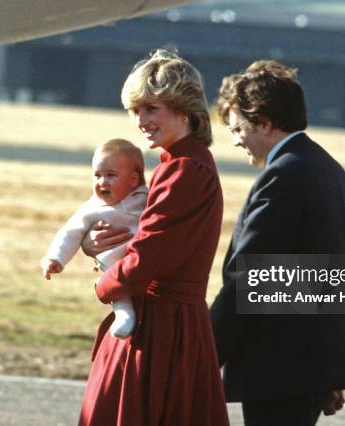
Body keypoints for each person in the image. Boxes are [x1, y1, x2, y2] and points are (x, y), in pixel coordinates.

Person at [209, 60, 345, 425]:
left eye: (237, 128)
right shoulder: (327, 168)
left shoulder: (283, 175)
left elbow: (251, 279)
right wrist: (330, 369)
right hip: (308, 365)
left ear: (264, 122)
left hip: (279, 366)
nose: (235, 140)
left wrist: (204, 351)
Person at [78, 49, 229, 426]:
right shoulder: (178, 165)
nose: (141, 121)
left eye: (151, 109)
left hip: (163, 328)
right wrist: (96, 246)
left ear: (185, 109)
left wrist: (104, 284)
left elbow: (149, 257)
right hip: (169, 322)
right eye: (136, 111)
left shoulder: (184, 171)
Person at [41, 138, 148, 339]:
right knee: (115, 281)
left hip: (144, 259)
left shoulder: (146, 198)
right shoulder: (92, 208)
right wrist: (55, 258)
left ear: (134, 180)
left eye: (111, 175)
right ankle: (124, 314)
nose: (102, 182)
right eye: (97, 175)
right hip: (115, 263)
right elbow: (70, 232)